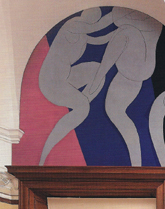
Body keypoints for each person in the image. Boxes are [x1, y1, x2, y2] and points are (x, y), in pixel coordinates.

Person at [38, 8, 114, 165]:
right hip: (51, 82)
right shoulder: (72, 25)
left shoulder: (82, 34)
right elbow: (97, 27)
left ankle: (81, 106)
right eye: (93, 15)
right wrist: (117, 16)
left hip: (66, 78)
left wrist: (118, 35)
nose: (94, 18)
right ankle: (47, 149)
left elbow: (99, 39)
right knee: (83, 107)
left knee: (97, 70)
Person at [89, 7, 162, 166]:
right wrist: (89, 36)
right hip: (132, 72)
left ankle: (96, 80)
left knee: (127, 31)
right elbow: (108, 26)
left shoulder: (149, 19)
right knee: (114, 110)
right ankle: (136, 162)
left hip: (138, 68)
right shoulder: (127, 26)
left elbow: (117, 23)